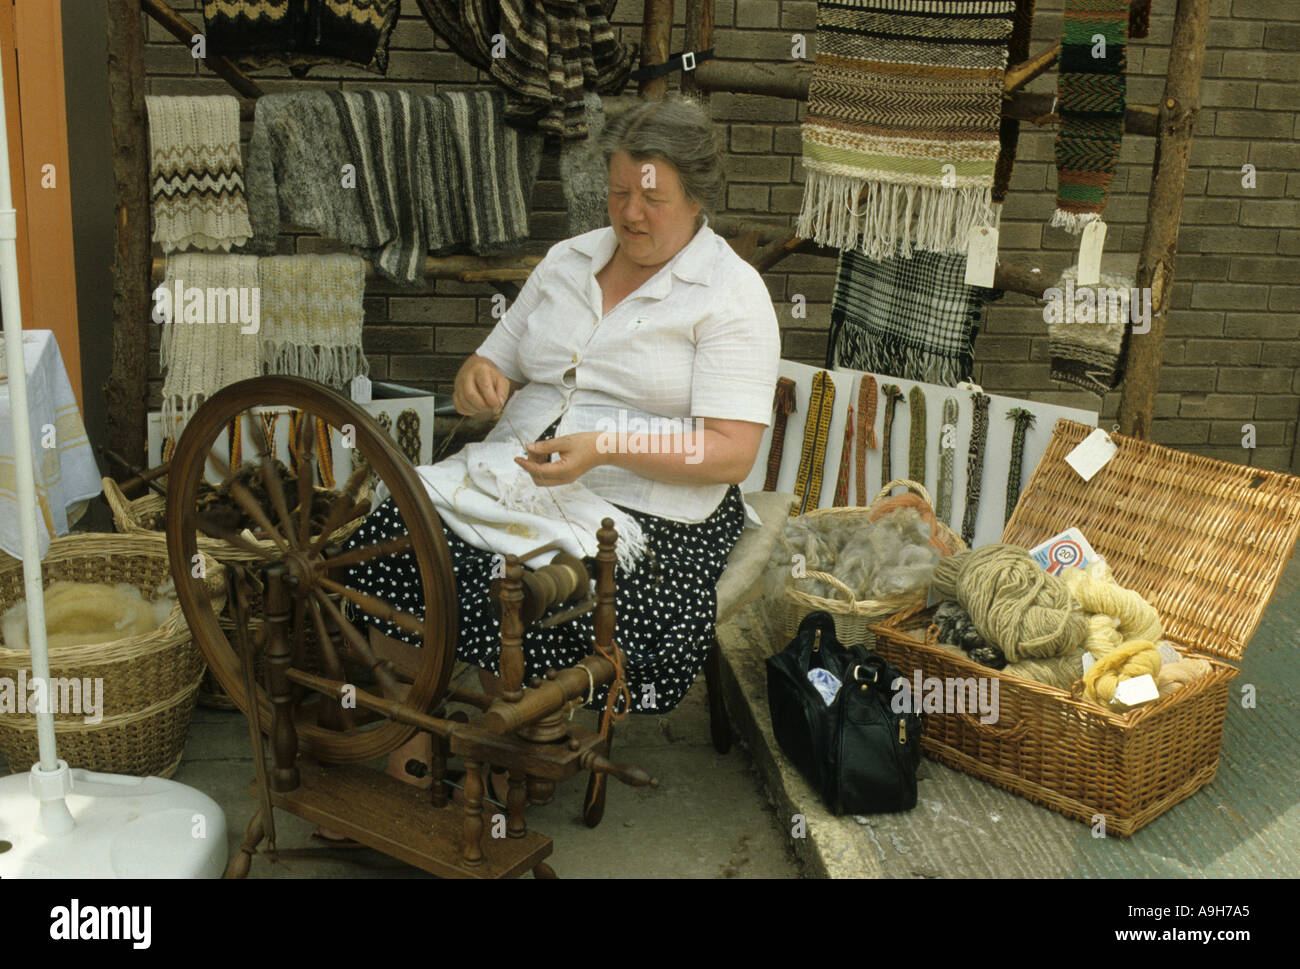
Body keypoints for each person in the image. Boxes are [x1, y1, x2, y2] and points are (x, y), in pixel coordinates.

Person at [339, 96, 780, 803]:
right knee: (399, 530)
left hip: (651, 509)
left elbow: (731, 454)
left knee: (520, 587)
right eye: (616, 192)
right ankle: (409, 750)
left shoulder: (731, 295)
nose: (629, 213)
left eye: (651, 198)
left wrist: (603, 448)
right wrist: (479, 378)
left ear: (696, 198)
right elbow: (492, 362)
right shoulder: (568, 260)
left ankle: (510, 750)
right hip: (515, 472)